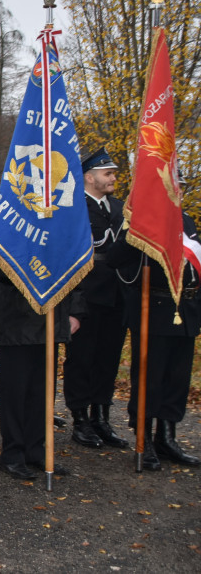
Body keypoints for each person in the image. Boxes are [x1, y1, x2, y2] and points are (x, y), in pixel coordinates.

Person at [108, 199, 201, 470]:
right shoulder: (142, 225)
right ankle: (144, 438)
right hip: (155, 310)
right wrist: (137, 232)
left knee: (177, 378)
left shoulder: (186, 220)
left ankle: (166, 438)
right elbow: (115, 259)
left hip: (186, 308)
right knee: (151, 378)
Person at [0, 251, 83, 481]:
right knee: (16, 391)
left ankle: (35, 449)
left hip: (51, 317)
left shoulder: (60, 217)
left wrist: (75, 310)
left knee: (42, 391)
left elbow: (75, 261)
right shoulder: (7, 216)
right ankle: (13, 454)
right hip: (15, 317)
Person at [64, 148, 129, 449]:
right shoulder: (75, 208)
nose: (113, 177)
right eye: (108, 173)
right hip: (88, 294)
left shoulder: (120, 208)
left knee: (108, 359)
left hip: (118, 294)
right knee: (83, 359)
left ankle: (101, 417)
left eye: (113, 173)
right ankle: (80, 419)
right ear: (89, 177)